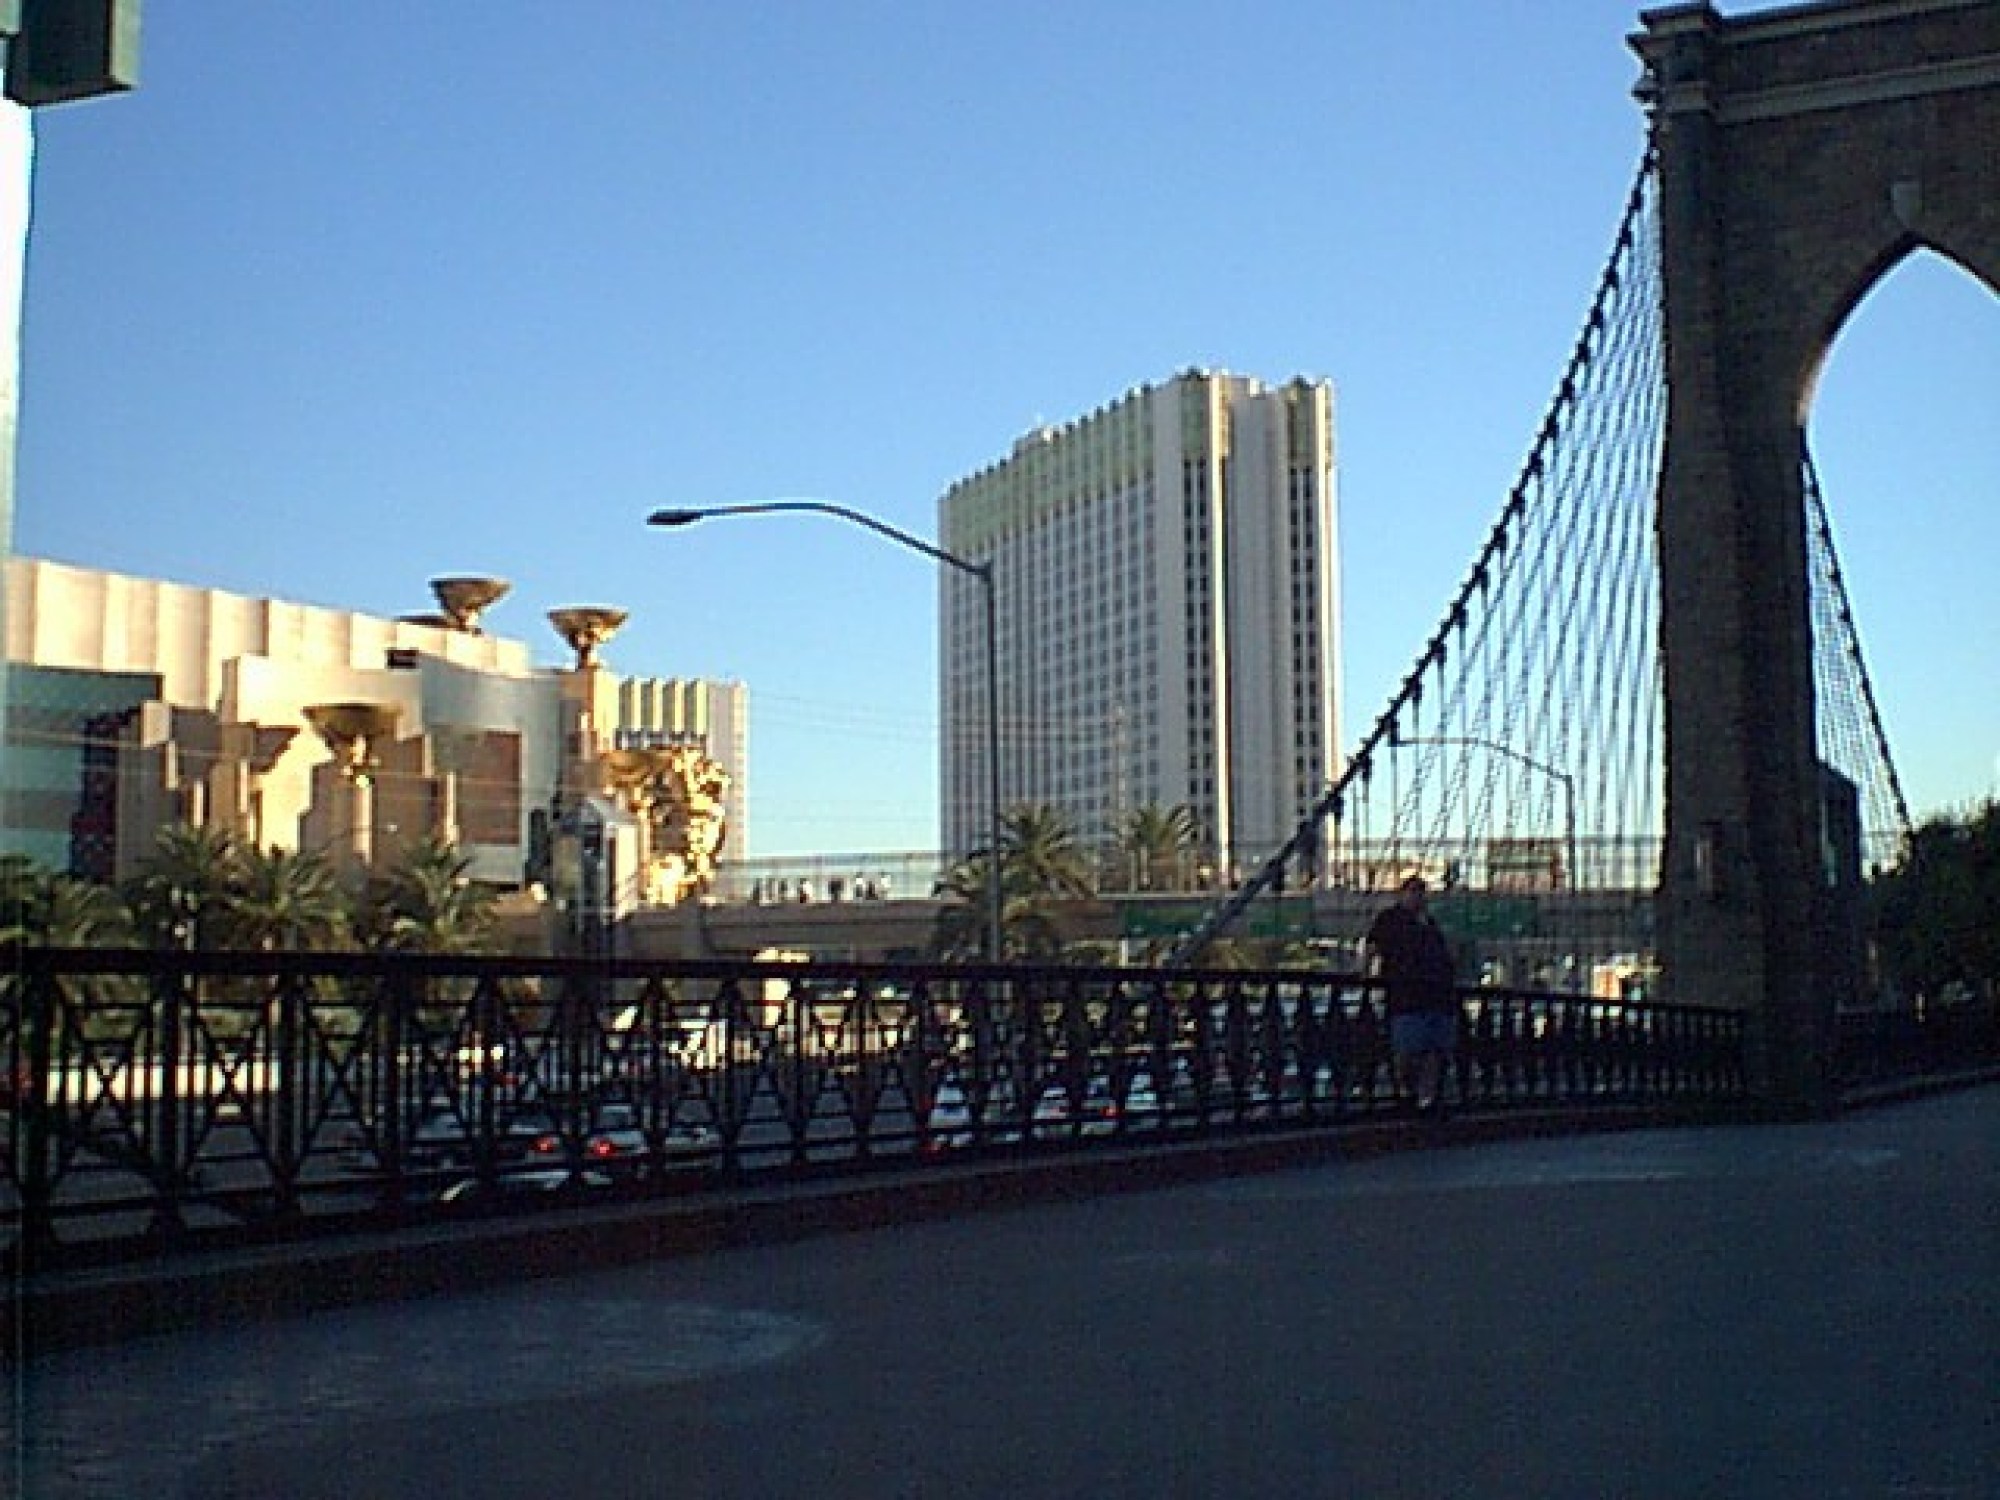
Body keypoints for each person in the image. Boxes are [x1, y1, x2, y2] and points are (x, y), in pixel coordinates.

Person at [1365, 875, 1458, 1116]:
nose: (1419, 897)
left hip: (1432, 995)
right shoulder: (1391, 919)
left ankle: (1425, 1098)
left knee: (1432, 1049)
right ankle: (1410, 1093)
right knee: (1409, 1049)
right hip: (1406, 993)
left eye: (1421, 892)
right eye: (1415, 892)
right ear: (1403, 894)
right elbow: (1372, 947)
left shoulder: (1428, 923)